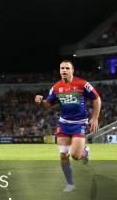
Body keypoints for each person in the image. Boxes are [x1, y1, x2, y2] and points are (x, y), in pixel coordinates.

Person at [35, 60, 101, 192]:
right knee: (63, 155)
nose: (64, 70)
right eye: (62, 68)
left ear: (72, 70)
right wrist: (40, 101)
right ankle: (70, 184)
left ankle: (85, 152)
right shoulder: (56, 88)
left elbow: (97, 98)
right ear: (59, 71)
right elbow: (48, 104)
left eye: (67, 68)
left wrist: (94, 118)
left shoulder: (82, 84)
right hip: (64, 125)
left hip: (79, 124)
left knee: (75, 155)